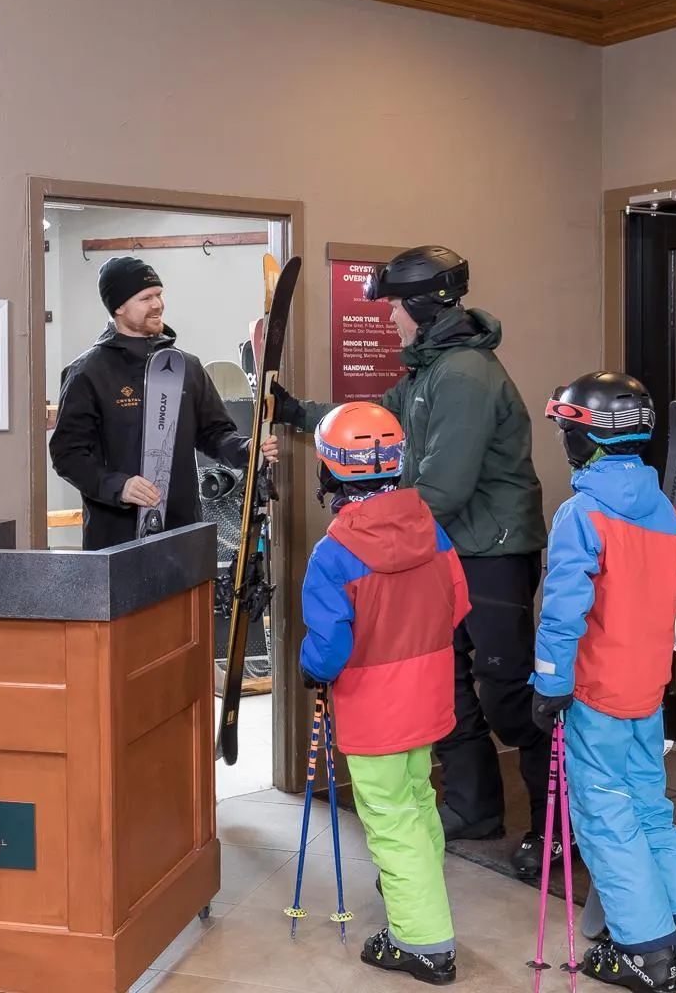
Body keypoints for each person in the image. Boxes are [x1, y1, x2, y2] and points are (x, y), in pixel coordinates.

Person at [272, 245, 555, 877]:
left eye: (396, 306)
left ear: (423, 306)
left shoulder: (464, 376)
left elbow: (444, 489)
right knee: (450, 682)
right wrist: (297, 414)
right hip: (448, 548)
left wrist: (367, 534)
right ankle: (475, 808)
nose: (390, 319)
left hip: (492, 552)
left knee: (510, 695)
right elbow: (372, 422)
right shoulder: (430, 369)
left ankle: (558, 829)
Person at [529, 371, 676, 993]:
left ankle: (643, 953)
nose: (563, 441)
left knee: (606, 817)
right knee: (651, 811)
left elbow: (563, 609)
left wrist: (550, 682)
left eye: (567, 430)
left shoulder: (580, 513)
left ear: (587, 439)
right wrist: (647, 602)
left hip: (595, 692)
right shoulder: (659, 507)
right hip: (647, 691)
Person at [298, 401, 470, 986]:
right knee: (419, 799)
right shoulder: (434, 530)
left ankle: (424, 943)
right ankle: (419, 888)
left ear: (330, 471)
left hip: (374, 711)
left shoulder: (334, 555)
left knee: (390, 816)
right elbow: (458, 605)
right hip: (427, 696)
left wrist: (309, 668)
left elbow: (328, 648)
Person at [49, 255, 277, 550]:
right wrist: (119, 486)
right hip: (117, 540)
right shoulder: (87, 373)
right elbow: (67, 455)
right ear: (118, 306)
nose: (158, 304)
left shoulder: (187, 367)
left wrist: (248, 449)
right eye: (146, 298)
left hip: (182, 531)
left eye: (159, 294)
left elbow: (214, 434)